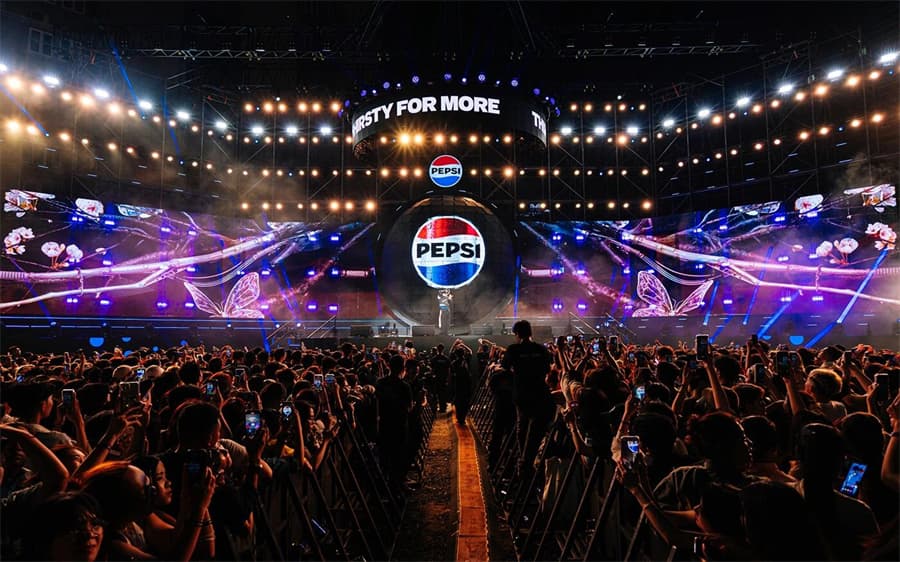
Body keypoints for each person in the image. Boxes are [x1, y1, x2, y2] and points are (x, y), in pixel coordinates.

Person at [501, 320, 555, 474]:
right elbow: (547, 369)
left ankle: (524, 466)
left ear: (517, 333)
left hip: (522, 394)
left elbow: (505, 367)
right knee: (536, 432)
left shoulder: (513, 349)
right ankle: (532, 464)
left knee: (522, 430)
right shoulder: (541, 349)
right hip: (540, 394)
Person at [450, 342, 473, 425]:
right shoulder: (466, 360)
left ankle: (459, 417)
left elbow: (450, 353)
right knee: (465, 401)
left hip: (458, 383)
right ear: (463, 353)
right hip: (467, 383)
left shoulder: (454, 363)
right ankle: (462, 417)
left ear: (456, 354)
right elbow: (470, 351)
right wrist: (463, 345)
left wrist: (454, 345)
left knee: (459, 400)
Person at [429, 345, 451, 413]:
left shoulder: (434, 359)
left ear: (437, 349)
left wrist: (432, 376)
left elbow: (432, 369)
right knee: (443, 394)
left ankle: (435, 408)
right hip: (443, 379)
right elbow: (448, 370)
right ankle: (443, 408)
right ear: (443, 349)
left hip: (437, 378)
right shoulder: (446, 358)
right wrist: (448, 379)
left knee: (435, 394)